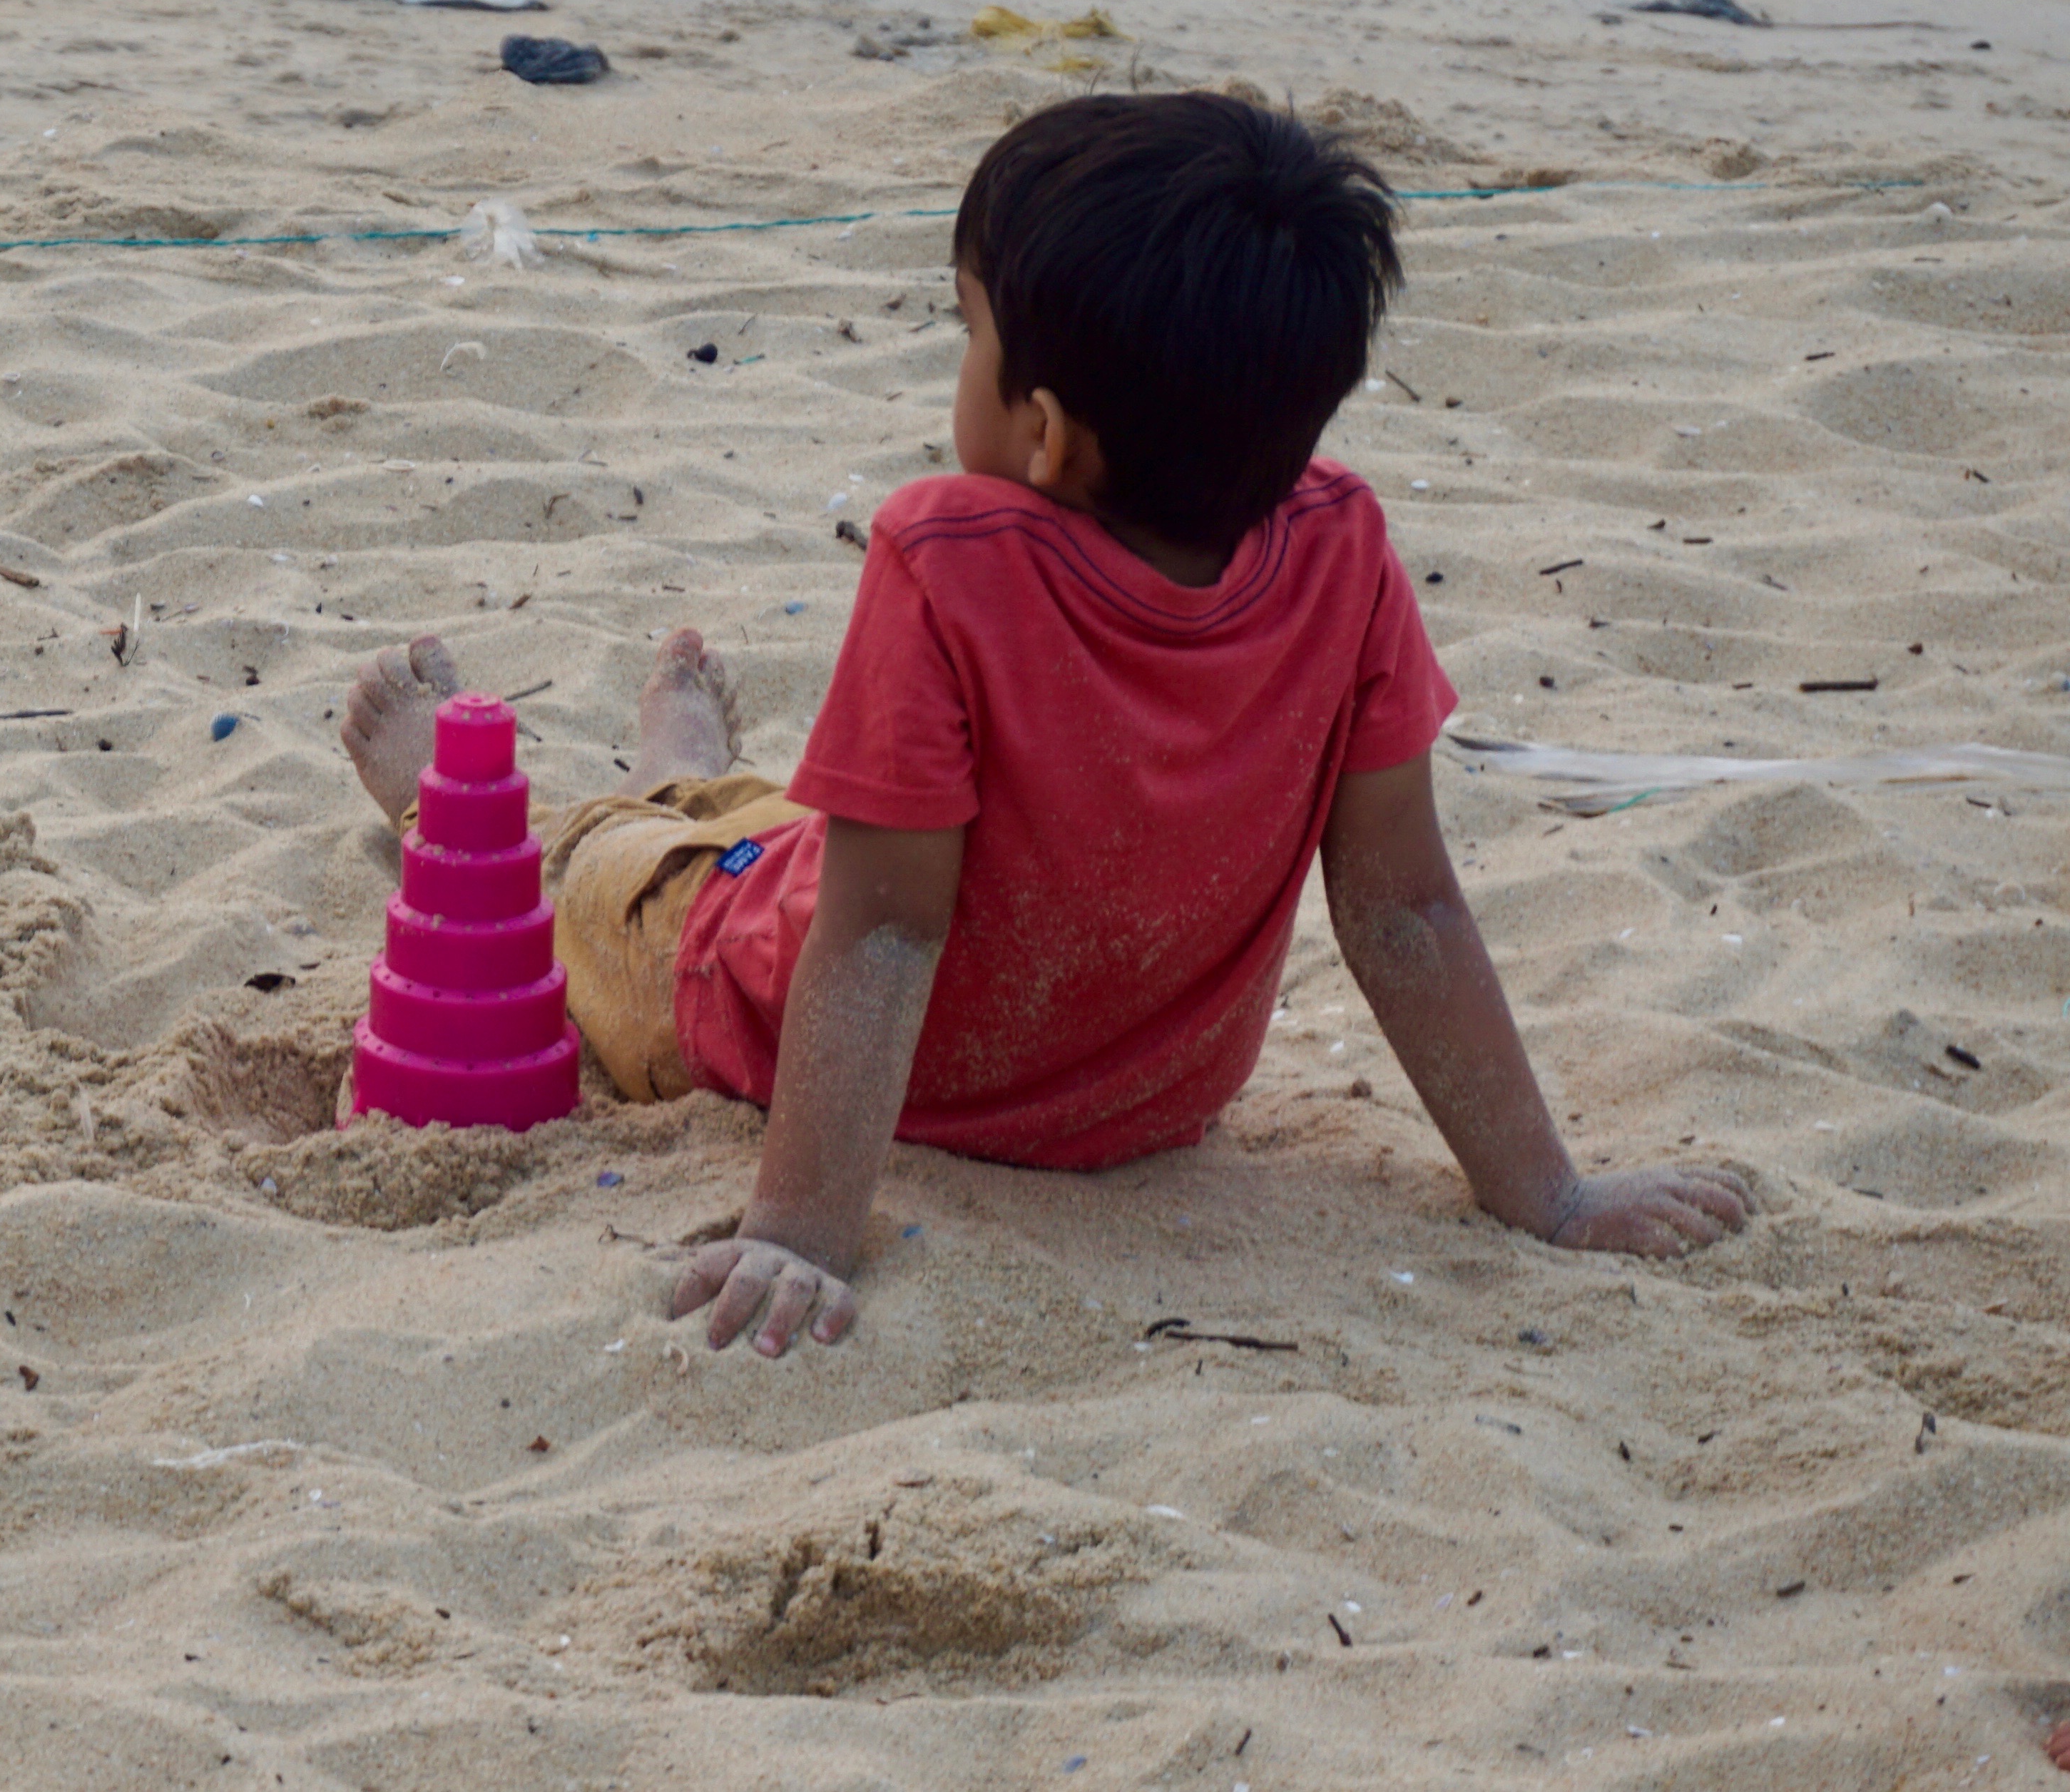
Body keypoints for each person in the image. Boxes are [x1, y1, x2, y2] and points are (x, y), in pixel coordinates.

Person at [340, 93, 1748, 1358]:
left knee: (610, 885)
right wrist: (1545, 1196)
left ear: (1051, 435)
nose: (959, 361)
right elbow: (1407, 908)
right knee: (801, 838)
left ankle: (488, 799)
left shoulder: (950, 554)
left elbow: (884, 932)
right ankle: (700, 777)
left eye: (969, 334)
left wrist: (802, 1232)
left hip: (764, 991)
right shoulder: (1344, 542)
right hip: (1141, 1102)